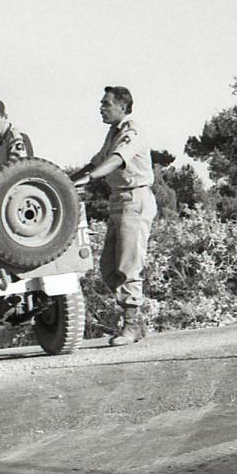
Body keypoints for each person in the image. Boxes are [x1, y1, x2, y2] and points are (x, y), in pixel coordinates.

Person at [70, 86, 156, 346]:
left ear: (122, 106)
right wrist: (65, 180)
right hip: (118, 199)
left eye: (106, 103)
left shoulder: (132, 131)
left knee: (128, 265)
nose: (101, 107)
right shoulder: (113, 132)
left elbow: (116, 160)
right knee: (109, 267)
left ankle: (130, 324)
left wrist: (90, 178)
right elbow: (97, 161)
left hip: (135, 198)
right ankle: (135, 321)